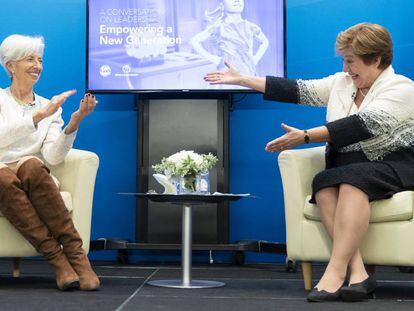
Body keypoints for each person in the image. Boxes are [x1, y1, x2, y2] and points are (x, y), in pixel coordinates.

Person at [204, 23, 414, 302]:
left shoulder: (402, 88)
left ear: (376, 59)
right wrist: (243, 79)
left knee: (352, 182)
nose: (346, 67)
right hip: (347, 165)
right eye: (344, 60)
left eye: (351, 61)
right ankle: (360, 274)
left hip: (391, 165)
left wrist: (304, 136)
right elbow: (296, 90)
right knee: (323, 183)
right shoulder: (343, 82)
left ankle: (336, 271)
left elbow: (361, 125)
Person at [0, 34, 100, 291]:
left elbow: (54, 156)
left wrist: (74, 123)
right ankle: (57, 260)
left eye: (40, 60)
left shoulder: (49, 107)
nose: (37, 65)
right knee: (3, 176)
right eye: (29, 59)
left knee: (32, 165)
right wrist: (38, 117)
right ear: (10, 66)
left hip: (31, 172)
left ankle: (78, 259)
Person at [190, 0, 269, 76]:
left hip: (247, 72)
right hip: (227, 73)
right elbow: (194, 41)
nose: (237, 0)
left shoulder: (250, 26)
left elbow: (265, 42)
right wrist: (215, 60)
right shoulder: (219, 27)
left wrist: (255, 60)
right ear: (222, 4)